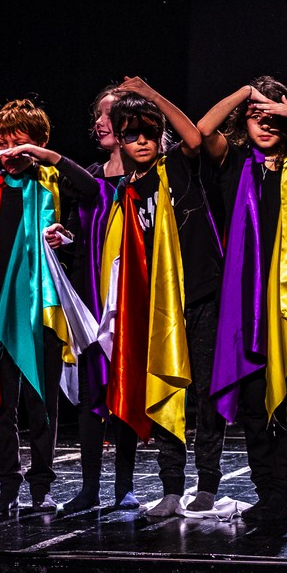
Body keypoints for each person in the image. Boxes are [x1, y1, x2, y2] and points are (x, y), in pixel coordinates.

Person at [198, 77, 287, 530]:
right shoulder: (235, 162)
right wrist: (246, 94)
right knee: (256, 407)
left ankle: (281, 496)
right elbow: (203, 131)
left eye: (273, 117)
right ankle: (265, 493)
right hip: (243, 307)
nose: (265, 124)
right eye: (257, 118)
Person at [97, 78, 225, 517]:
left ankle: (207, 483)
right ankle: (171, 486)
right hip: (158, 306)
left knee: (205, 393)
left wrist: (152, 96)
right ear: (119, 138)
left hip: (201, 294)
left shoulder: (176, 167)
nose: (143, 141)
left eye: (150, 132)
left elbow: (195, 137)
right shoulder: (126, 192)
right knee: (166, 389)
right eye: (132, 133)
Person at [0, 98, 101, 514]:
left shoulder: (52, 179)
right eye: (2, 142)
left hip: (43, 309)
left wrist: (48, 157)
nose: (9, 152)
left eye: (19, 143)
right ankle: (7, 483)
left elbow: (92, 190)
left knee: (41, 403)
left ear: (39, 143)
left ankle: (42, 485)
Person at [63, 83, 139, 512]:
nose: (100, 122)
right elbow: (81, 235)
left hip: (126, 300)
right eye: (99, 114)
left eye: (110, 113)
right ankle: (89, 487)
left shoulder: (144, 175)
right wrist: (63, 238)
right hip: (90, 301)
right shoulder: (90, 175)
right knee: (91, 395)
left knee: (123, 393)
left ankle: (124, 486)